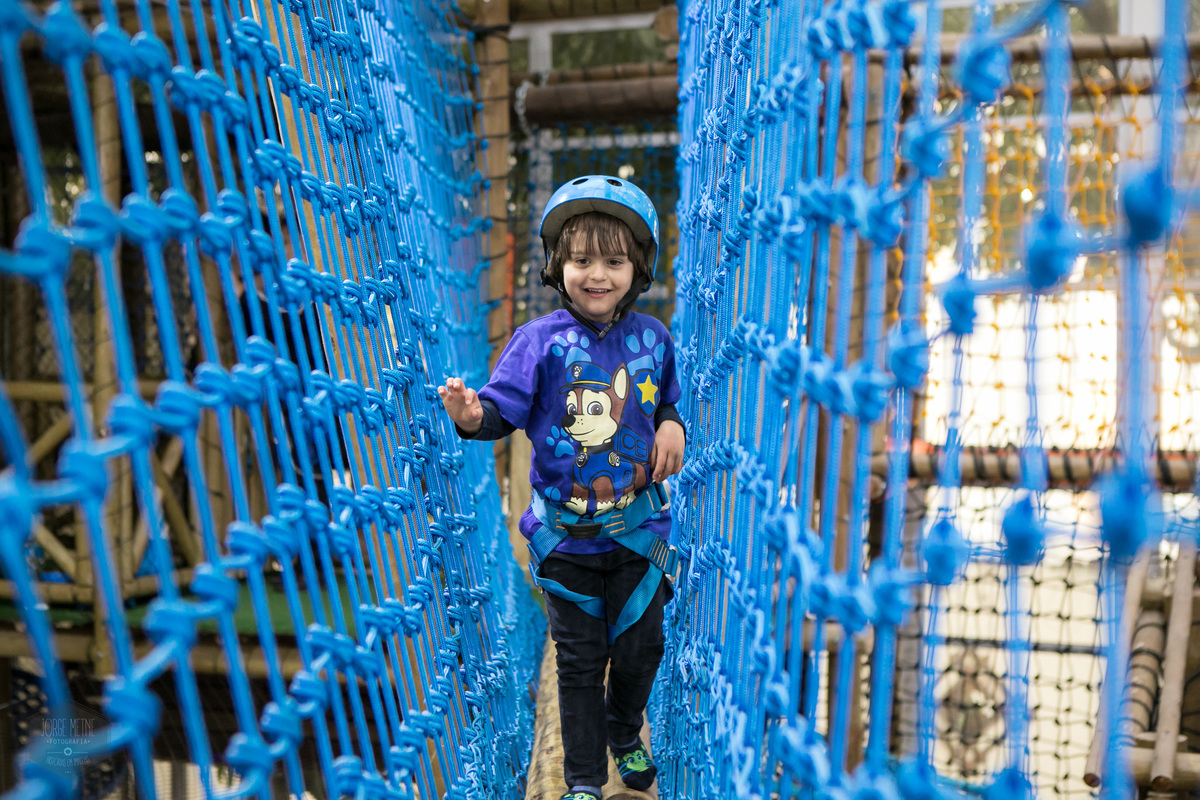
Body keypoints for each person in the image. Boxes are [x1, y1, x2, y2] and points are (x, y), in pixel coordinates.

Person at [438, 175, 686, 800]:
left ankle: (624, 733)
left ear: (638, 268)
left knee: (641, 649)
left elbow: (668, 405)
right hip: (566, 542)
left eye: (613, 260)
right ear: (558, 265)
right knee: (577, 663)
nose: (596, 274)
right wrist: (473, 418)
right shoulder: (539, 342)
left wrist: (673, 424)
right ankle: (580, 782)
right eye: (580, 260)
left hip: (635, 533)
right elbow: (501, 410)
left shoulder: (653, 340)